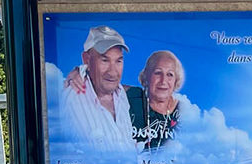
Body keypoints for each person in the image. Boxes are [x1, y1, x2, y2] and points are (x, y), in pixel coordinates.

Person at [66, 49, 186, 151]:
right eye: (158, 73)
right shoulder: (130, 96)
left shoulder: (183, 112)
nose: (163, 81)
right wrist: (79, 73)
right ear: (147, 76)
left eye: (170, 74)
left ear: (176, 80)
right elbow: (101, 84)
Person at [60, 26, 137, 154]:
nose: (113, 72)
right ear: (87, 59)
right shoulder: (71, 99)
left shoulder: (121, 94)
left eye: (118, 61)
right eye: (105, 60)